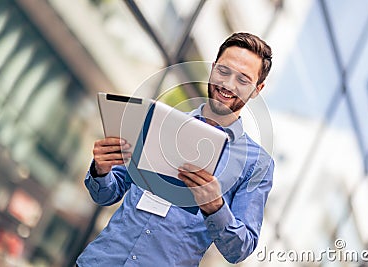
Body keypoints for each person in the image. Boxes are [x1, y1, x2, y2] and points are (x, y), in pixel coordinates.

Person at [76, 32, 274, 266]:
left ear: (257, 89)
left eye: (243, 80)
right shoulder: (157, 122)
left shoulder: (256, 163)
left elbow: (240, 249)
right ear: (213, 68)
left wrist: (216, 208)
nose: (228, 84)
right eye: (223, 71)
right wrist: (102, 170)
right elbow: (106, 194)